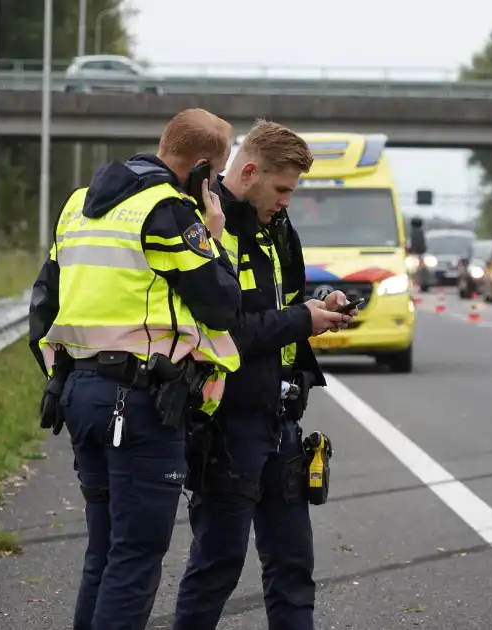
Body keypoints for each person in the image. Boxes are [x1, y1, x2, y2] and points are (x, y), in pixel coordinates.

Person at [27, 108, 243, 630]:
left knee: (104, 553)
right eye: (213, 179)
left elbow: (42, 306)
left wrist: (67, 375)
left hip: (79, 392)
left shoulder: (79, 205)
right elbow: (221, 304)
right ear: (200, 170)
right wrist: (213, 235)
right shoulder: (168, 211)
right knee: (136, 557)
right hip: (140, 404)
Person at [172, 120, 354, 630]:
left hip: (281, 419)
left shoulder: (275, 226)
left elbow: (284, 304)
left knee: (294, 569)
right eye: (282, 189)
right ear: (249, 171)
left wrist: (319, 308)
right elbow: (222, 332)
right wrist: (302, 320)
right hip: (227, 426)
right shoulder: (204, 227)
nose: (287, 201)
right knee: (217, 568)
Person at [407, 216, 430, 288]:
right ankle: (424, 284)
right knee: (422, 271)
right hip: (420, 254)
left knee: (411, 270)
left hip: (414, 253)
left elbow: (413, 243)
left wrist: (410, 250)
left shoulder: (412, 232)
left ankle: (412, 284)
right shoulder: (420, 232)